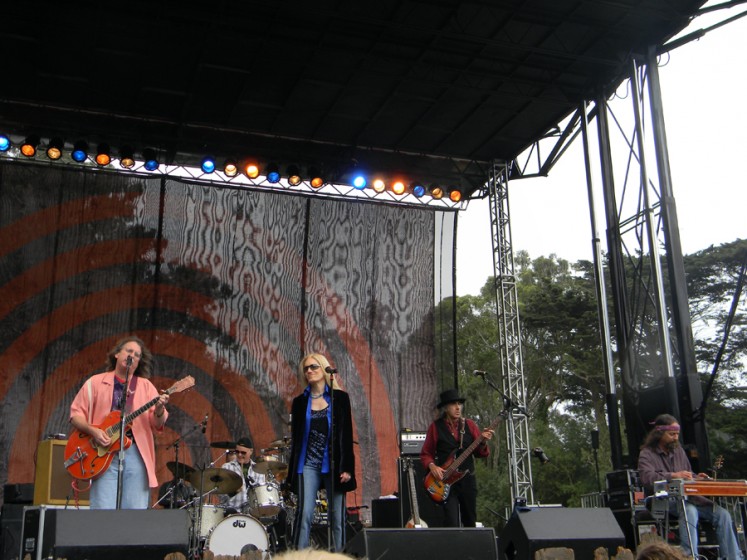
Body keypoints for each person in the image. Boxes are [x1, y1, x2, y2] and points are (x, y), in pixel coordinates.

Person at [69, 335, 169, 509]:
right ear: (117, 354)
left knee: (134, 509)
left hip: (135, 452)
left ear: (139, 362)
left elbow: (157, 423)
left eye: (137, 355)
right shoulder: (95, 383)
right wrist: (94, 431)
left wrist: (160, 409)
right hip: (102, 451)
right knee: (102, 509)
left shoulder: (146, 386)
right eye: (129, 351)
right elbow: (75, 415)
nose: (132, 356)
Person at [638, 414, 743, 560]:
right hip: (662, 500)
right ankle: (689, 556)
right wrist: (673, 475)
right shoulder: (647, 454)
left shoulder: (678, 450)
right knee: (690, 510)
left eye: (677, 434)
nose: (675, 437)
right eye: (671, 434)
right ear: (659, 433)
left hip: (688, 499)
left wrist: (697, 478)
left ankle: (733, 557)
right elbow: (647, 478)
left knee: (722, 514)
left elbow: (687, 474)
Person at [286, 353, 356, 551]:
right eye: (306, 368)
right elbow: (297, 439)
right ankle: (299, 555)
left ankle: (339, 555)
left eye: (313, 367)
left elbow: (345, 435)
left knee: (336, 517)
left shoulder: (340, 398)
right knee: (305, 513)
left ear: (324, 369)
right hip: (308, 464)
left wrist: (347, 467)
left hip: (333, 464)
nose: (309, 371)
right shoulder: (300, 402)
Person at [420, 388, 494, 527]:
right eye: (454, 404)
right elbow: (426, 453)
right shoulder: (435, 427)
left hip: (467, 480)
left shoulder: (470, 425)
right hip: (446, 482)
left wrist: (483, 442)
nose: (458, 407)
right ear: (446, 408)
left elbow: (481, 454)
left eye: (459, 404)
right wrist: (432, 466)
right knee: (451, 521)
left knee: (470, 520)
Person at [221, 436, 266, 513]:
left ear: (251, 451)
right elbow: (221, 495)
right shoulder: (227, 467)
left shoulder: (259, 470)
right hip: (233, 510)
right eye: (237, 452)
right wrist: (233, 492)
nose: (239, 455)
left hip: (252, 512)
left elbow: (261, 495)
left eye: (243, 452)